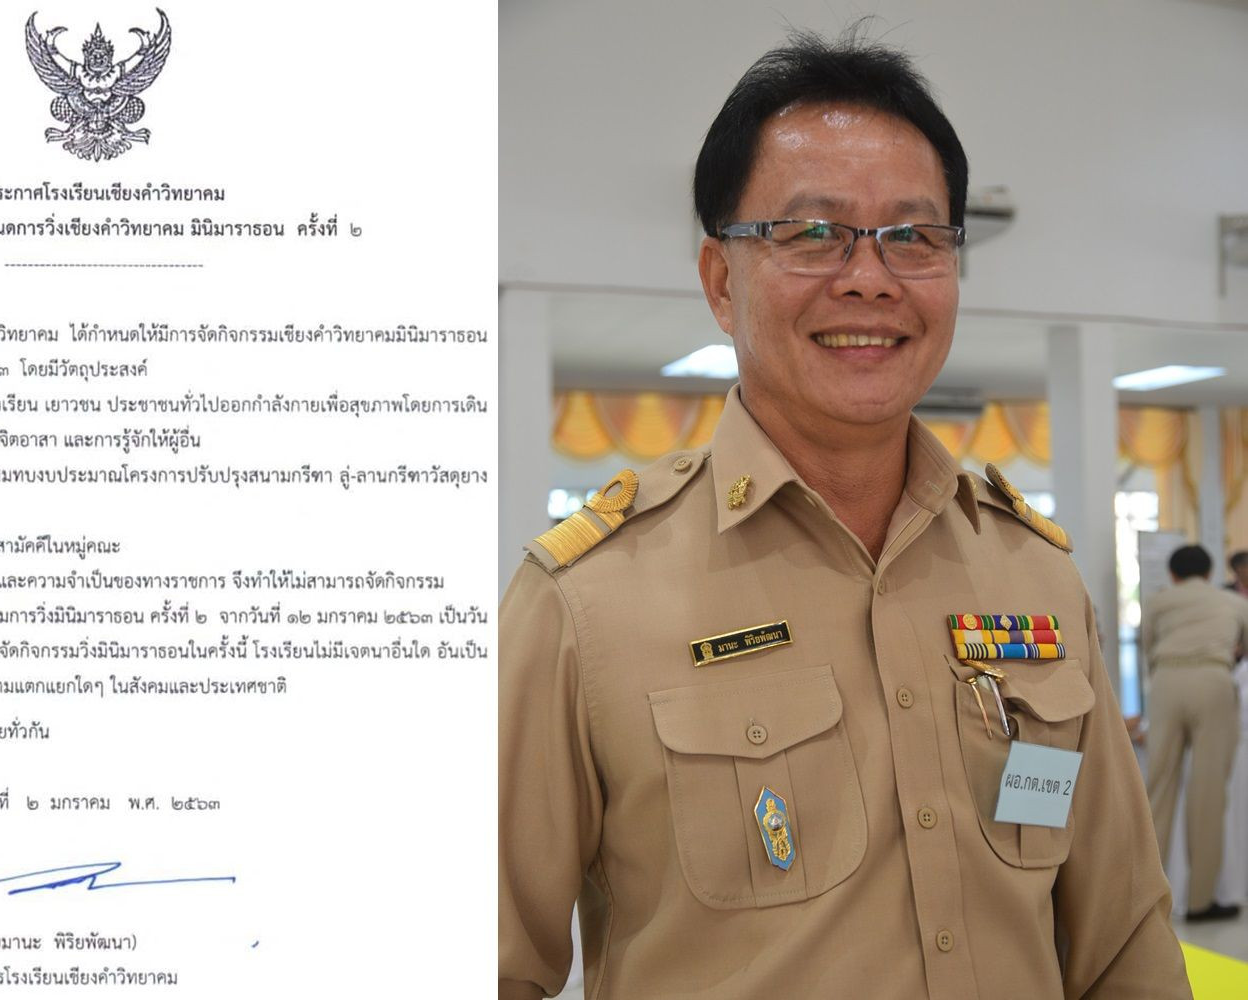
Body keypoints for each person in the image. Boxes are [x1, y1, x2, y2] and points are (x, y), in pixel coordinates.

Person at [499, 28, 1190, 1000]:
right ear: (721, 279)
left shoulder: (1033, 576)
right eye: (813, 232)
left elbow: (1121, 939)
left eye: (914, 236)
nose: (870, 276)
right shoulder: (586, 601)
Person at [1143, 543, 1248, 921]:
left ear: (1172, 574)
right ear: (1209, 572)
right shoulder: (1234, 603)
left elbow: (1148, 647)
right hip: (1214, 680)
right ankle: (1201, 901)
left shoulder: (1157, 602)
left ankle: (1146, 899)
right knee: (1209, 793)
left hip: (1166, 681)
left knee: (1158, 789)